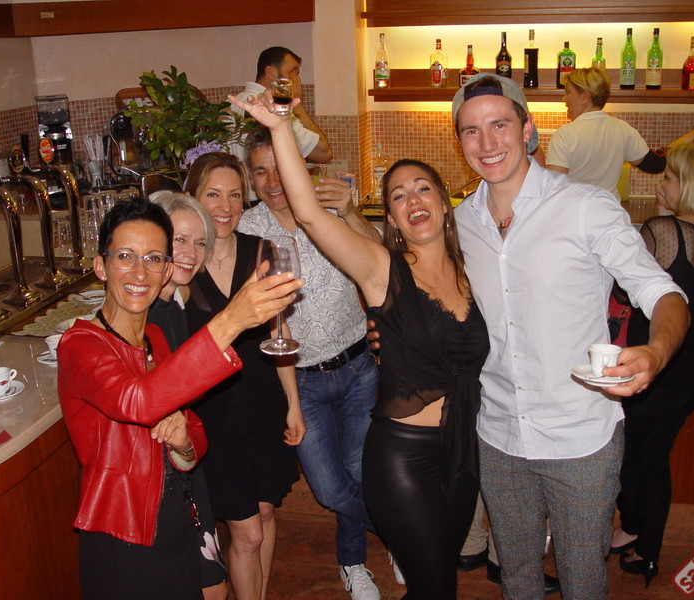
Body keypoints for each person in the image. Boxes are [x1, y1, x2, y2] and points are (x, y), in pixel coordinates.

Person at [231, 90, 489, 600]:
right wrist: (280, 128)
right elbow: (309, 214)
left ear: (444, 203)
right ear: (390, 218)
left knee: (439, 577)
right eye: (399, 196)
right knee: (436, 588)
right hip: (405, 459)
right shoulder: (382, 269)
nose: (414, 201)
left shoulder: (471, 272)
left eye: (423, 189)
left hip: (464, 451)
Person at [452, 73, 690, 600]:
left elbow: (662, 292)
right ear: (460, 141)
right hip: (499, 434)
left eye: (499, 125)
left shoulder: (586, 206)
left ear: (528, 130)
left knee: (583, 582)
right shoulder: (460, 222)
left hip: (581, 437)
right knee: (516, 576)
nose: (487, 143)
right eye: (471, 131)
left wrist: (656, 351)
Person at [57, 198, 301, 600]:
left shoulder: (155, 337)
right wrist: (232, 319)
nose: (140, 272)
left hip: (180, 518)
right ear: (100, 266)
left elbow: (195, 432)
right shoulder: (81, 345)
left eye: (153, 258)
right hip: (125, 532)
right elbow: (139, 401)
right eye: (125, 257)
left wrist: (183, 445)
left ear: (167, 271)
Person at [235, 123, 382, 600]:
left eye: (280, 167)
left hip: (359, 366)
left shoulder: (329, 209)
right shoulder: (247, 230)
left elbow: (381, 256)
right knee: (329, 490)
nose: (272, 181)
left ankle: (353, 562)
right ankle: (403, 531)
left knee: (361, 472)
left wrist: (353, 211)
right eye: (260, 172)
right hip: (300, 382)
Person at [612, 141, 694, 587]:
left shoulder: (664, 230)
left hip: (655, 367)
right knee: (655, 457)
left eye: (668, 177)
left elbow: (626, 290)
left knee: (628, 456)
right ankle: (648, 550)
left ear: (691, 184)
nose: (661, 182)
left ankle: (631, 529)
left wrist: (664, 215)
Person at [182, 152, 305, 600]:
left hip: (263, 404)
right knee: (248, 533)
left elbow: (278, 330)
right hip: (214, 417)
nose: (225, 206)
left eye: (235, 195)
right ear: (192, 197)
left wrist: (293, 404)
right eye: (212, 194)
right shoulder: (182, 263)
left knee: (266, 515)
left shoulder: (259, 250)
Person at [146, 190, 228, 600]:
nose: (191, 253)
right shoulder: (146, 314)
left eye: (199, 243)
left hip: (185, 460)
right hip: (163, 477)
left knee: (211, 586)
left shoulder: (173, 304)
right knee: (209, 587)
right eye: (179, 239)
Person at [546, 67, 694, 200]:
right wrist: (685, 140)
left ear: (585, 97)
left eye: (568, 92)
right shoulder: (621, 129)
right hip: (610, 214)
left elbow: (554, 187)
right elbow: (655, 164)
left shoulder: (565, 135)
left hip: (575, 216)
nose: (563, 99)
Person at [230, 46, 331, 166]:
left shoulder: (232, 103)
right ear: (270, 72)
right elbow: (324, 154)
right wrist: (297, 106)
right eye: (292, 72)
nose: (296, 80)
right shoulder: (274, 107)